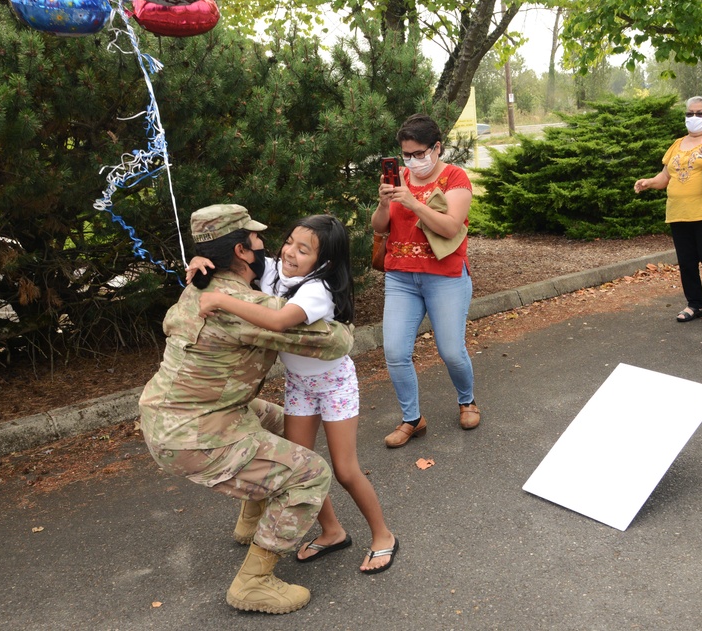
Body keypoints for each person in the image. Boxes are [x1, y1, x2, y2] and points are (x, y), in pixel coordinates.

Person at [138, 204, 355, 615]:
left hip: (177, 412)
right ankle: (253, 582)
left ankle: (252, 517)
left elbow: (270, 273)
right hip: (191, 434)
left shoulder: (202, 284)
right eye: (256, 238)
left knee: (276, 420)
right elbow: (336, 342)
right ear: (241, 251)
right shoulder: (241, 307)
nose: (267, 245)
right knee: (311, 473)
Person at [195, 215, 399, 574]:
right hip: (299, 385)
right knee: (300, 467)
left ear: (325, 262)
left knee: (345, 470)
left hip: (334, 385)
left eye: (303, 250)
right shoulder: (276, 270)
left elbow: (278, 321)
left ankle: (383, 535)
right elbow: (237, 260)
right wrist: (198, 264)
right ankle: (333, 531)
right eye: (289, 241)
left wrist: (220, 301)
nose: (289, 252)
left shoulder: (317, 290)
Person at [371, 113, 477, 448]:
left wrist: (413, 203)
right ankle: (412, 419)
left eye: (420, 153)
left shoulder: (455, 178)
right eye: (407, 154)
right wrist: (384, 202)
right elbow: (379, 227)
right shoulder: (398, 179)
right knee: (395, 350)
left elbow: (451, 228)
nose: (413, 161)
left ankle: (467, 400)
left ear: (436, 148)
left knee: (451, 350)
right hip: (401, 276)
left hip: (444, 275)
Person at [634, 96, 702, 322]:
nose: (693, 117)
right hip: (678, 211)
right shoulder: (677, 144)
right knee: (687, 261)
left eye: (699, 113)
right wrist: (648, 182)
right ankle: (695, 305)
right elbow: (665, 176)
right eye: (689, 113)